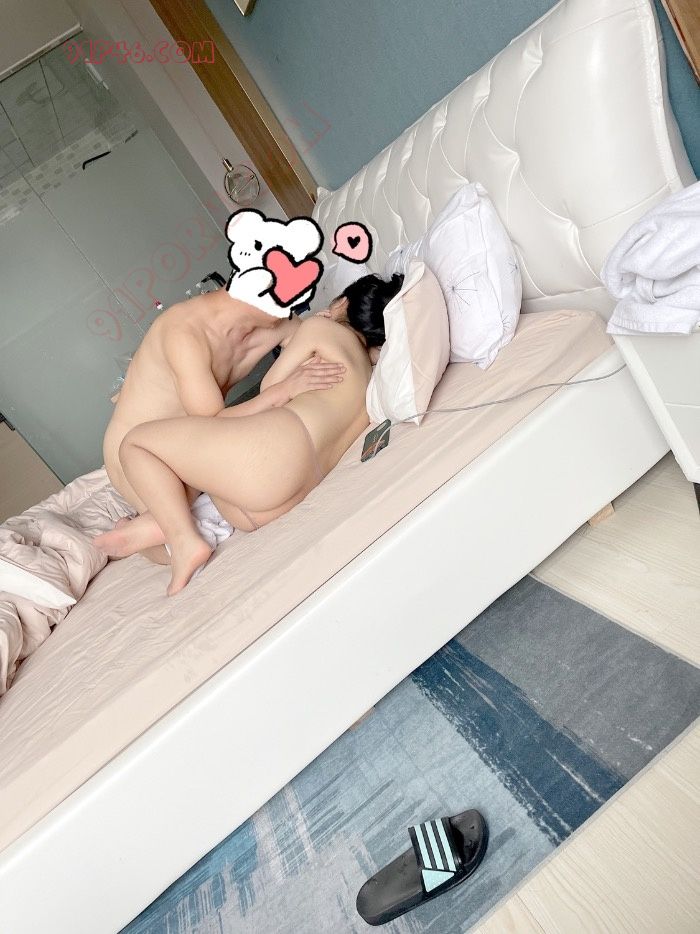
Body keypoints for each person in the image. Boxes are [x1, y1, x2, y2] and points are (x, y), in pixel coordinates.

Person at [97, 274, 403, 595]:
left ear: (341, 303)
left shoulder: (320, 328)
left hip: (264, 483)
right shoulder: (370, 372)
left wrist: (297, 363)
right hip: (296, 486)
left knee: (135, 443)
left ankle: (180, 538)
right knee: (190, 506)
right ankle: (157, 528)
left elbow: (272, 385)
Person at [103, 288, 346, 513]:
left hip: (192, 442)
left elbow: (311, 358)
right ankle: (134, 531)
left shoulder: (279, 319)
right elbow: (213, 423)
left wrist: (321, 329)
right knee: (176, 520)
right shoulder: (183, 334)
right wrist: (281, 391)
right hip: (137, 457)